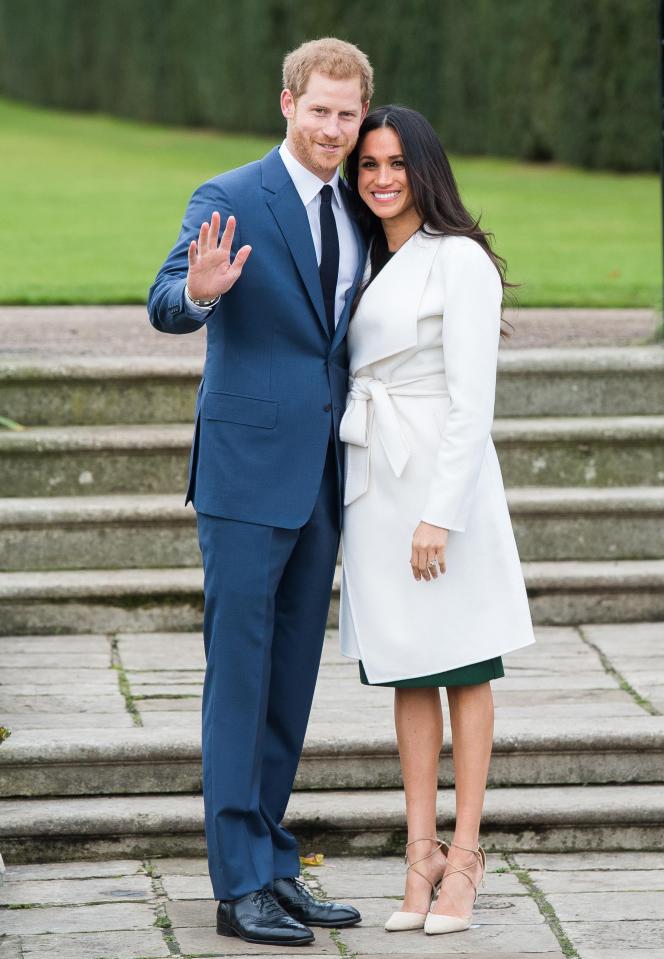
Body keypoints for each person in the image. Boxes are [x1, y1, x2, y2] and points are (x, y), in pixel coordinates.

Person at [148, 38, 373, 947]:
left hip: (323, 478)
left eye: (347, 114)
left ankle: (274, 865)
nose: (332, 128)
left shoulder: (362, 203)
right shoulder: (233, 196)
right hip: (245, 478)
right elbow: (166, 296)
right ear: (287, 104)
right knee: (238, 680)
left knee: (289, 682)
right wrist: (198, 294)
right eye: (318, 109)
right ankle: (237, 883)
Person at [340, 106, 535, 936]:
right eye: (368, 164)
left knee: (464, 664)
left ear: (426, 168)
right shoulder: (359, 256)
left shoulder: (458, 260)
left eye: (396, 162)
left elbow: (471, 401)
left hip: (437, 485)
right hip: (374, 481)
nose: (381, 178)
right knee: (407, 668)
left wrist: (439, 515)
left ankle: (464, 857)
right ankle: (417, 855)